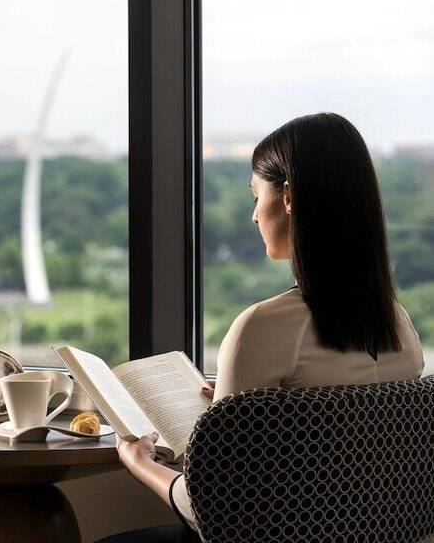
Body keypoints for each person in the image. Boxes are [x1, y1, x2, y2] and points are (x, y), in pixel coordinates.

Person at [96, 113, 424, 543]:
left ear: (288, 197)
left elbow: (207, 508)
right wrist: (245, 414)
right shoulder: (399, 323)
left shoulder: (262, 326)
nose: (254, 216)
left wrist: (141, 464)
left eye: (257, 196)